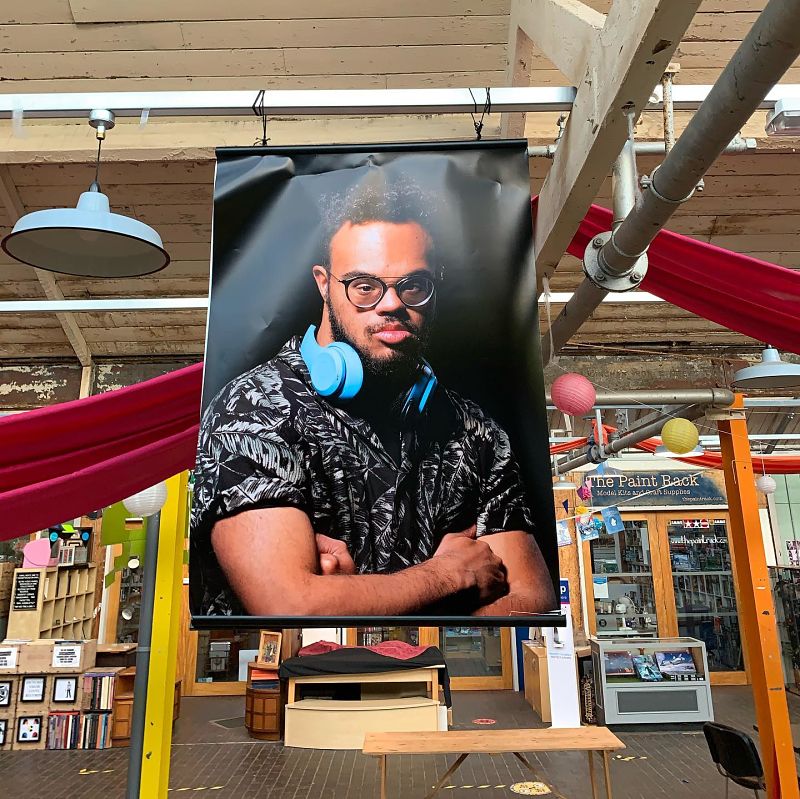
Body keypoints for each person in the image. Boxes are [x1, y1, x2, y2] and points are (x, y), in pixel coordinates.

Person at [191, 176, 555, 618]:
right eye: (364, 286)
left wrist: (351, 598)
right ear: (324, 284)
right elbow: (287, 605)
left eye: (413, 285)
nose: (391, 304)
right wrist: (448, 576)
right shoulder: (253, 407)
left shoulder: (475, 432)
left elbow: (531, 601)